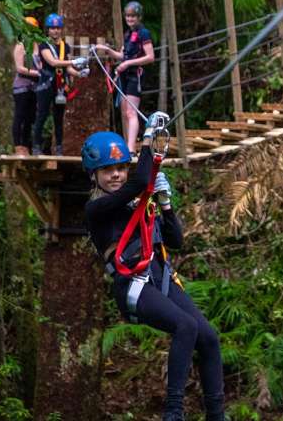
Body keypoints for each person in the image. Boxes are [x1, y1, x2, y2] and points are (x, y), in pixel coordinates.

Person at [82, 121, 225, 421]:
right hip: (131, 285)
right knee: (185, 326)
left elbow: (176, 241)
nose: (117, 175)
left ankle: (217, 415)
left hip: (158, 277)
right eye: (109, 170)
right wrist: (150, 140)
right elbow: (139, 180)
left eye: (121, 167)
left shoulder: (138, 201)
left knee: (209, 337)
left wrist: (166, 204)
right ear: (94, 175)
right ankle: (173, 413)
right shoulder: (97, 209)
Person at [93, 1, 156, 152]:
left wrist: (128, 64)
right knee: (124, 112)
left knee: (131, 112)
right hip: (125, 76)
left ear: (139, 17)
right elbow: (123, 56)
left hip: (136, 76)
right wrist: (107, 50)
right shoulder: (128, 34)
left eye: (133, 16)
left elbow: (150, 57)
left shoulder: (143, 33)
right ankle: (128, 144)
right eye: (128, 16)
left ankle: (131, 148)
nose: (130, 19)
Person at [33, 13, 88, 156]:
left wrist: (79, 73)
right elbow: (53, 62)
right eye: (52, 28)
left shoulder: (65, 46)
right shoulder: (44, 44)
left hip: (60, 86)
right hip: (46, 84)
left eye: (58, 28)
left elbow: (68, 68)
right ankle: (36, 146)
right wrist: (73, 62)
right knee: (42, 115)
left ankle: (58, 148)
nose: (55, 31)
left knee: (58, 118)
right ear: (48, 30)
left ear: (61, 29)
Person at [11, 16, 41, 156]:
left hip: (35, 87)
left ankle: (26, 145)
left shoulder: (38, 46)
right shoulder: (20, 45)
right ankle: (18, 146)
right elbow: (20, 68)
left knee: (30, 117)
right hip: (22, 86)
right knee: (20, 115)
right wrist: (39, 73)